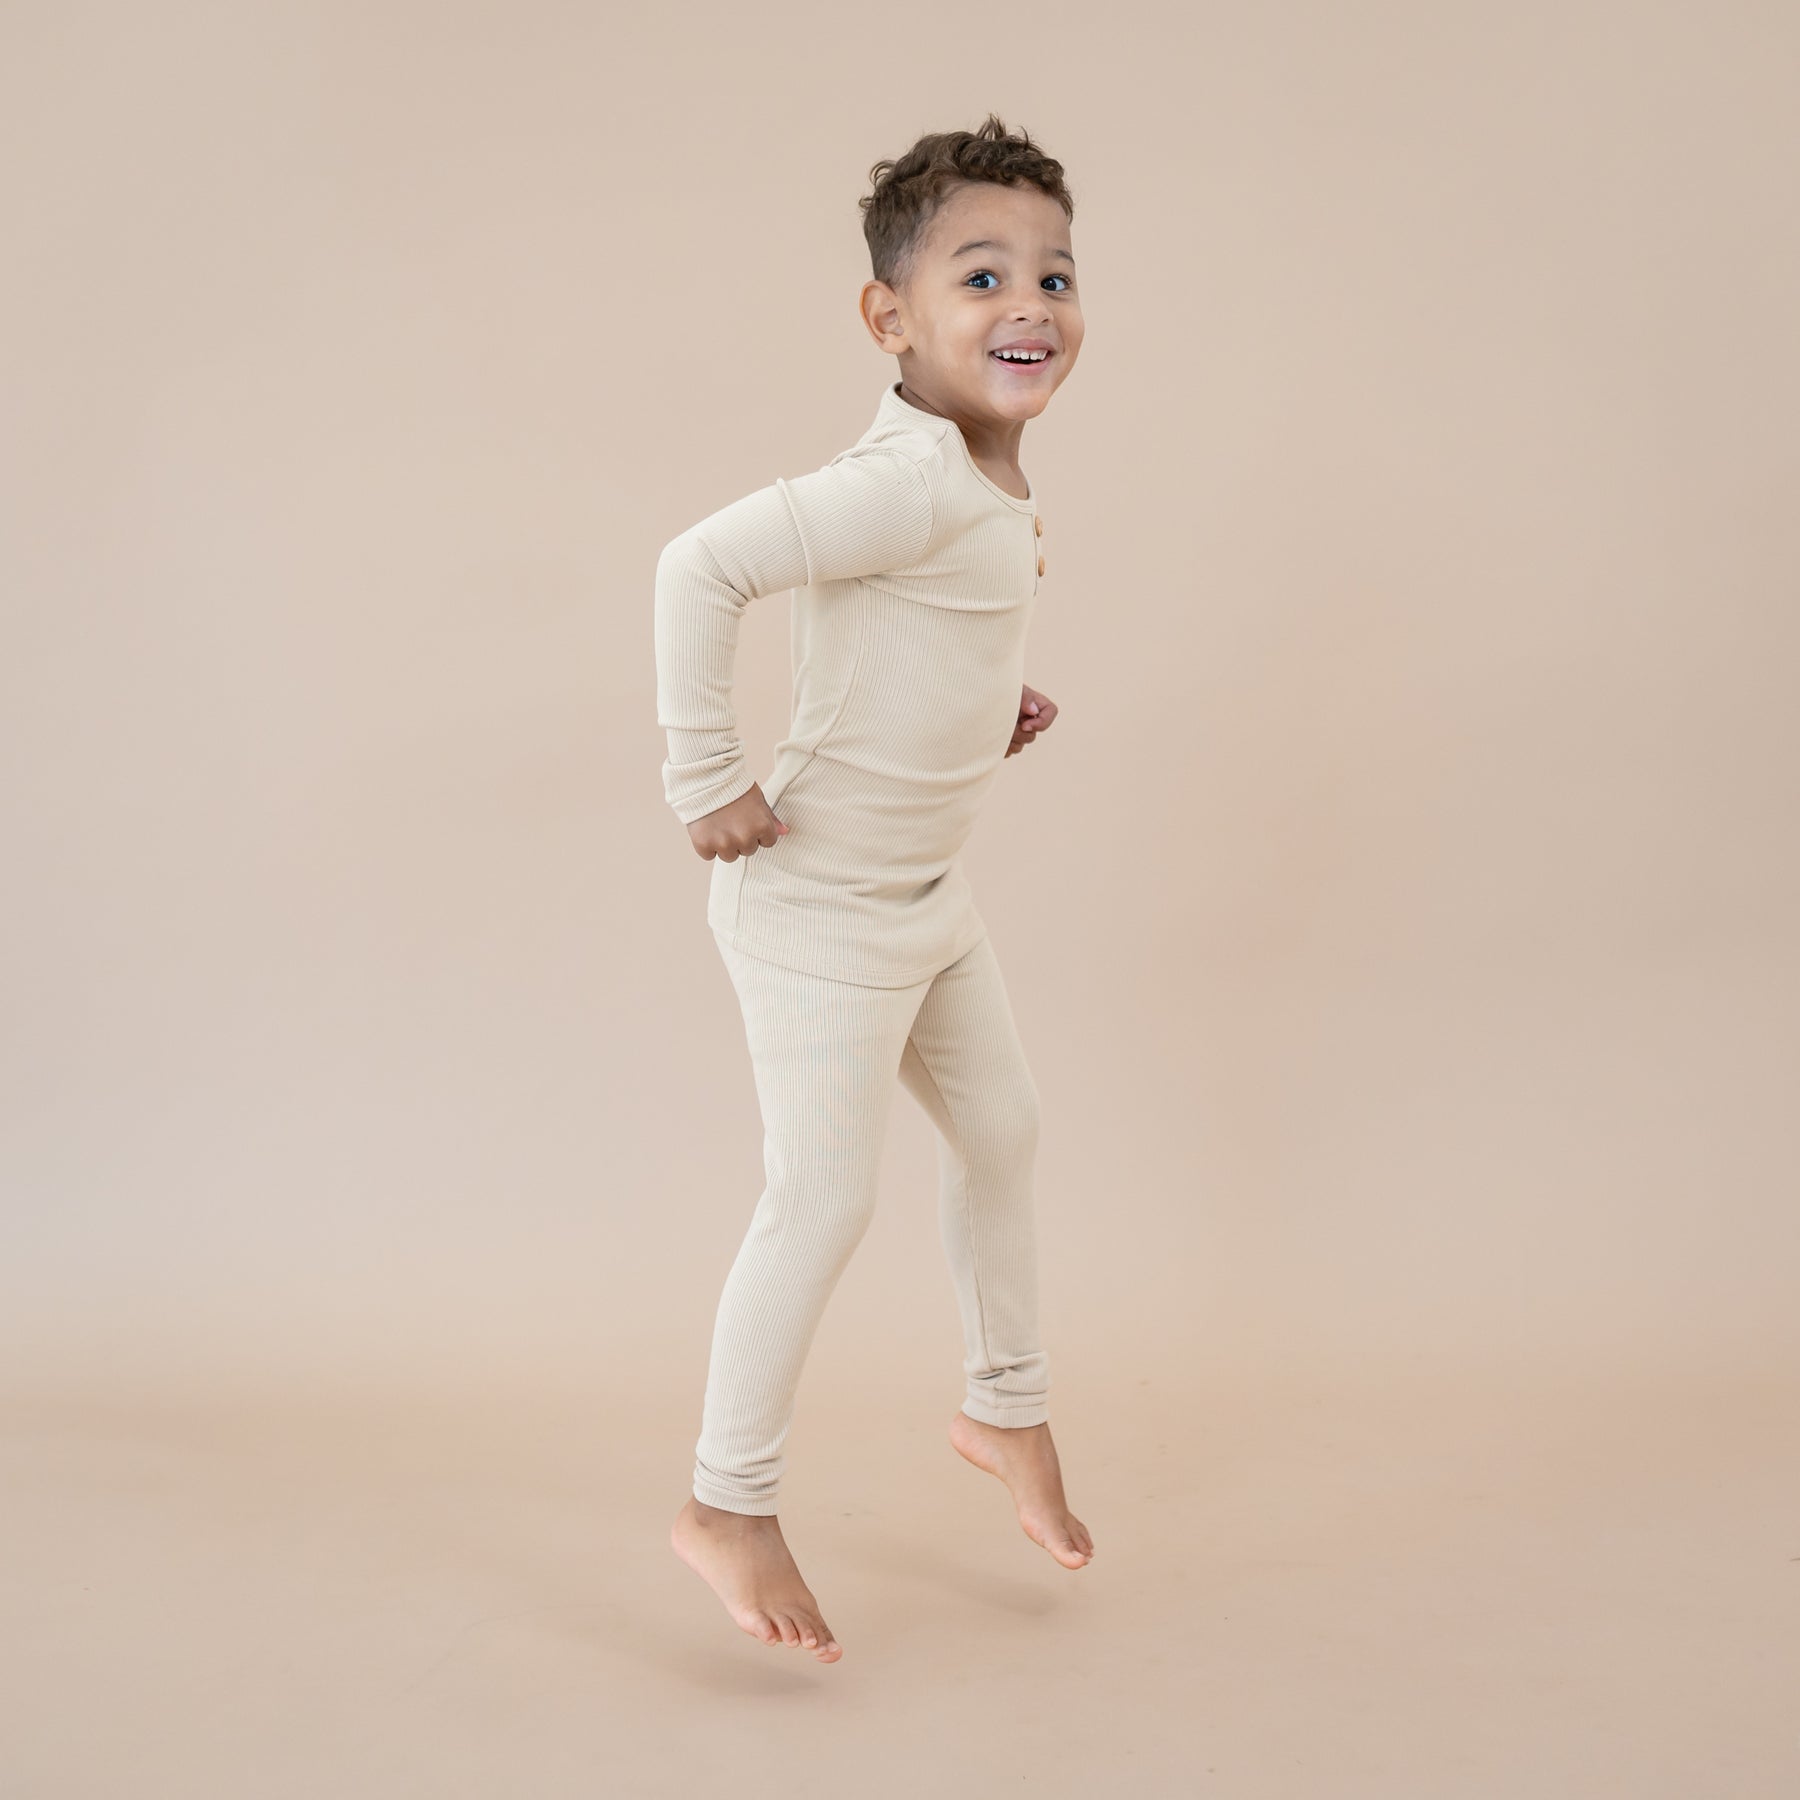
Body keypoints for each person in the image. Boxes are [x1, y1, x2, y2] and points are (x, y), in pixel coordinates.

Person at [655, 114, 1094, 1663]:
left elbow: (905, 643)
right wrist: (701, 774)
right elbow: (696, 566)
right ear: (889, 320)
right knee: (823, 1197)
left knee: (1004, 1129)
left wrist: (996, 704)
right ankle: (726, 1501)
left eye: (1052, 271)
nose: (1030, 302)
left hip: (927, 893)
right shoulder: (906, 482)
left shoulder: (977, 477)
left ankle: (1004, 1410)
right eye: (982, 276)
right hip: (821, 914)